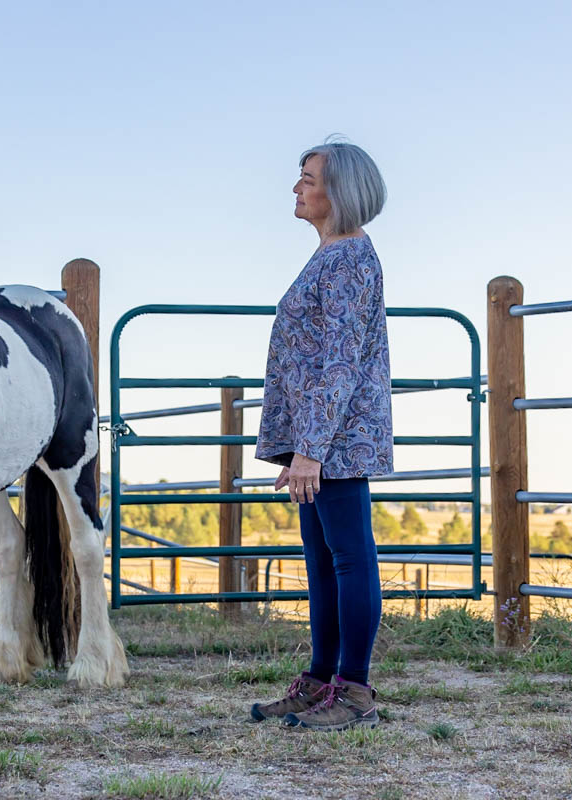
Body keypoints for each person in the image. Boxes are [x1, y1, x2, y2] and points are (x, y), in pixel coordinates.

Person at [248, 142, 392, 731]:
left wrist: (310, 450)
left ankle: (354, 692)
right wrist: (298, 449)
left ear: (340, 191)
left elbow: (338, 362)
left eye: (307, 179)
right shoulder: (328, 256)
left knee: (351, 561)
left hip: (337, 440)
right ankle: (320, 679)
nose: (296, 188)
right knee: (322, 561)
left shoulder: (351, 258)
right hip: (317, 438)